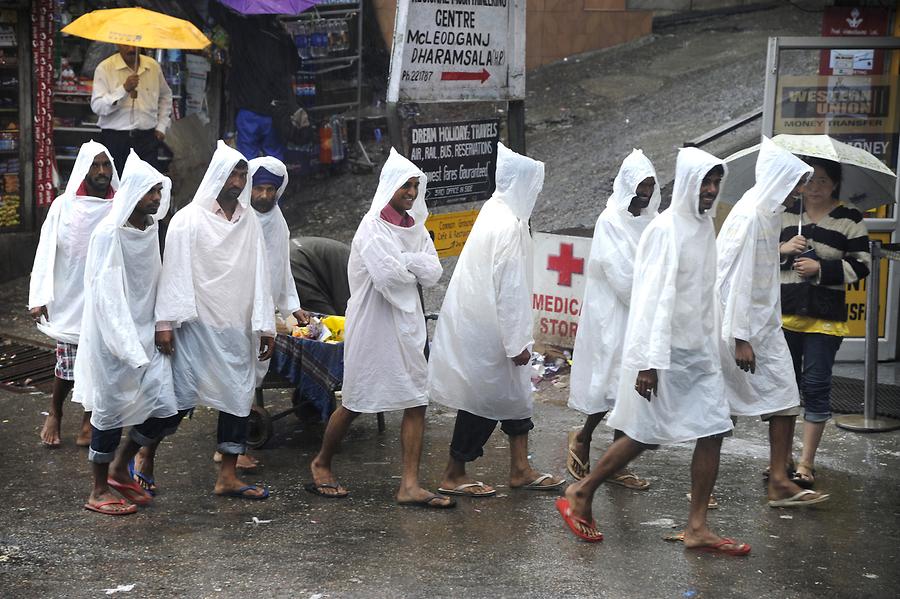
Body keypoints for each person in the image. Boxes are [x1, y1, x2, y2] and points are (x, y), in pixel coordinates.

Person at [557, 148, 750, 556]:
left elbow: (704, 294)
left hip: (699, 352)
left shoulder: (702, 227)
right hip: (666, 355)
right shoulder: (665, 230)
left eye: (717, 183)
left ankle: (697, 526)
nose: (711, 191)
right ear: (687, 184)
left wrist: (722, 343)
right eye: (705, 183)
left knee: (714, 428)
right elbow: (650, 299)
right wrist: (647, 361)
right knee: (645, 435)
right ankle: (581, 491)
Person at [307, 148, 454, 509]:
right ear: (389, 186)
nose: (411, 192)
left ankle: (409, 485)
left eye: (415, 186)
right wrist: (411, 264)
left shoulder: (415, 228)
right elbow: (388, 278)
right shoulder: (371, 228)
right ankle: (321, 462)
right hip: (373, 326)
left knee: (416, 399)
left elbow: (434, 273)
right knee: (357, 400)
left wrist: (406, 262)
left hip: (407, 325)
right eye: (405, 185)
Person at [428, 143, 565, 497]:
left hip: (484, 325)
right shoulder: (508, 225)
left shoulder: (496, 211)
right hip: (495, 330)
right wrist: (516, 340)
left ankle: (520, 467)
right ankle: (454, 472)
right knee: (485, 402)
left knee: (515, 396)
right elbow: (510, 289)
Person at [141, 141, 276, 500]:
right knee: (178, 400)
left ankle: (228, 476)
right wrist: (165, 323)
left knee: (237, 397)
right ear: (216, 175)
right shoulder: (188, 220)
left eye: (242, 174)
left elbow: (261, 273)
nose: (238, 180)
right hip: (195, 326)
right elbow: (172, 274)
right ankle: (144, 454)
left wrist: (265, 324)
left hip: (235, 325)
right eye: (232, 173)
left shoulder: (249, 222)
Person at [717, 137, 830, 508]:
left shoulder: (762, 211)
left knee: (781, 398)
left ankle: (778, 479)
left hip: (760, 324)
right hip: (746, 328)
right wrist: (739, 337)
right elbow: (735, 280)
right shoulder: (752, 216)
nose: (800, 191)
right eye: (797, 182)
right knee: (730, 407)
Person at [74, 151, 179, 516]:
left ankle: (122, 465)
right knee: (110, 411)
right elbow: (107, 299)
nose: (156, 198)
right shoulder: (108, 235)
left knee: (170, 405)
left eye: (157, 191)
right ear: (133, 194)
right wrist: (128, 348)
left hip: (146, 336)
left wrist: (162, 326)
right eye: (150, 191)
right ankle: (98, 490)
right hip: (113, 341)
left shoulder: (149, 230)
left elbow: (155, 283)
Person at [567, 149, 660, 490]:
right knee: (610, 382)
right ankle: (583, 436)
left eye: (651, 184)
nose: (646, 192)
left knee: (631, 384)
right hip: (615, 312)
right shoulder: (610, 221)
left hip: (643, 310)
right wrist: (652, 298)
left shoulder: (653, 220)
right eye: (641, 185)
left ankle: (617, 462)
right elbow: (619, 272)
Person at [779, 157, 870, 489]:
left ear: (835, 185)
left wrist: (822, 271)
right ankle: (781, 460)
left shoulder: (850, 218)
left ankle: (805, 463)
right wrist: (783, 249)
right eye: (809, 180)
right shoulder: (787, 214)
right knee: (783, 390)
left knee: (815, 386)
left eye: (822, 181)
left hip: (824, 318)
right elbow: (759, 258)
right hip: (785, 314)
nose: (814, 188)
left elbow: (862, 265)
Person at [29, 141, 119, 449]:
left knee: (100, 363)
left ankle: (88, 421)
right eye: (95, 166)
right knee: (68, 365)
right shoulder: (63, 205)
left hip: (105, 297)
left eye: (106, 165)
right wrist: (38, 295)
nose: (102, 172)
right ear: (83, 169)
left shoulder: (119, 205)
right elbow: (46, 249)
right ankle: (55, 410)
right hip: (70, 294)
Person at [90, 44, 173, 171]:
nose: (131, 49)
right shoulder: (105, 68)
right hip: (116, 139)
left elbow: (165, 96)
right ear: (118, 45)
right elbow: (97, 107)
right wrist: (124, 89)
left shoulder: (153, 67)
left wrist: (162, 126)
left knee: (147, 184)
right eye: (126, 45)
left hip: (147, 138)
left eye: (134, 46)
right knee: (117, 185)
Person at [289, 237, 352, 316]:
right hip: (341, 260)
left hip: (343, 267)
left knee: (348, 317)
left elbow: (322, 313)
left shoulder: (289, 268)